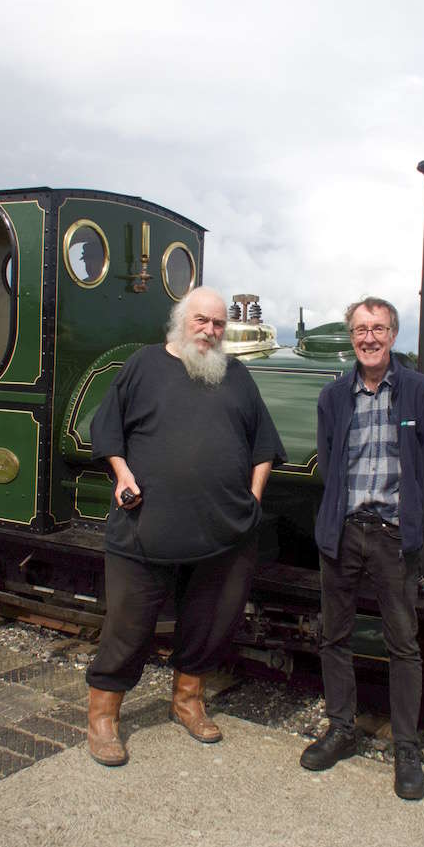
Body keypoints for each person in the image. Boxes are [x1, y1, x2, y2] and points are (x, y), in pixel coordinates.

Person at [85, 286, 286, 766]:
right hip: (145, 527)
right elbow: (107, 428)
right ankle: (103, 717)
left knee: (211, 622)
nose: (210, 331)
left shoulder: (236, 376)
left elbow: (264, 445)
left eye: (218, 324)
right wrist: (123, 475)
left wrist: (253, 500)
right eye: (202, 321)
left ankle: (187, 700)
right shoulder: (144, 365)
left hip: (224, 532)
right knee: (128, 627)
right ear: (181, 320)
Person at [300, 296, 424, 800]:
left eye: (379, 328)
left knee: (402, 643)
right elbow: (327, 458)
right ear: (351, 336)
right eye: (361, 329)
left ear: (393, 335)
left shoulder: (419, 393)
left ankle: (406, 748)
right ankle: (341, 729)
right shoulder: (333, 396)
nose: (369, 337)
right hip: (342, 531)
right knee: (334, 636)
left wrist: (406, 514)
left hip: (391, 535)